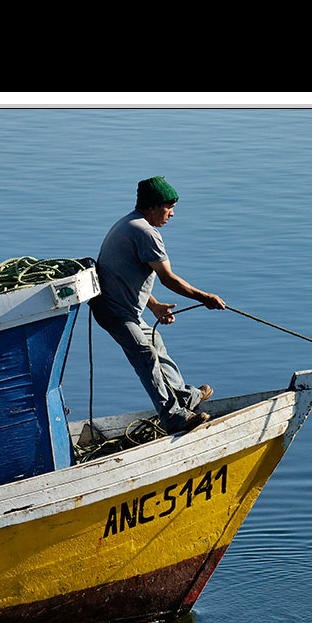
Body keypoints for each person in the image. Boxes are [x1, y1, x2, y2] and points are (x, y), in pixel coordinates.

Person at [89, 176, 226, 434]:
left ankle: (185, 398)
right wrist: (205, 297)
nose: (172, 214)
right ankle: (173, 417)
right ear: (152, 206)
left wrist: (153, 306)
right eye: (169, 207)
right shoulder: (146, 232)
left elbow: (126, 274)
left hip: (126, 307)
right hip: (115, 311)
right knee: (145, 356)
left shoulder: (130, 224)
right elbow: (168, 279)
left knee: (156, 344)